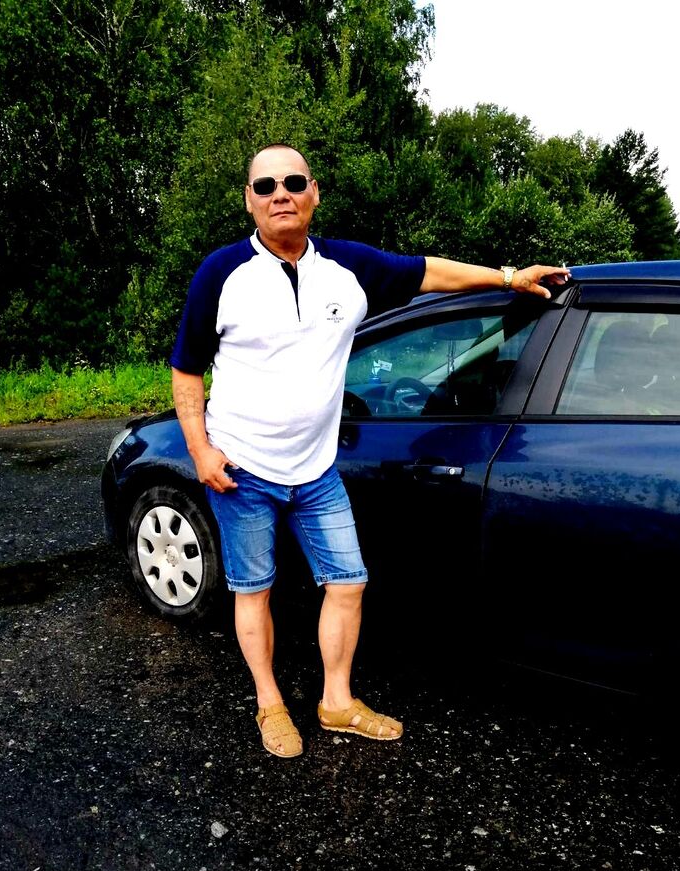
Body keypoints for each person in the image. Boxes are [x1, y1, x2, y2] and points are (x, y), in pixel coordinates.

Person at [170, 143, 569, 758]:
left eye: (293, 182)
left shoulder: (348, 266)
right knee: (254, 590)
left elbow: (429, 272)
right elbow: (187, 369)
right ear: (249, 200)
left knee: (348, 582)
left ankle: (336, 702)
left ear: (314, 192)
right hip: (240, 468)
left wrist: (508, 278)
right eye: (266, 186)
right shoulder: (221, 274)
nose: (281, 194)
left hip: (317, 470)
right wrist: (200, 450)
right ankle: (270, 704)